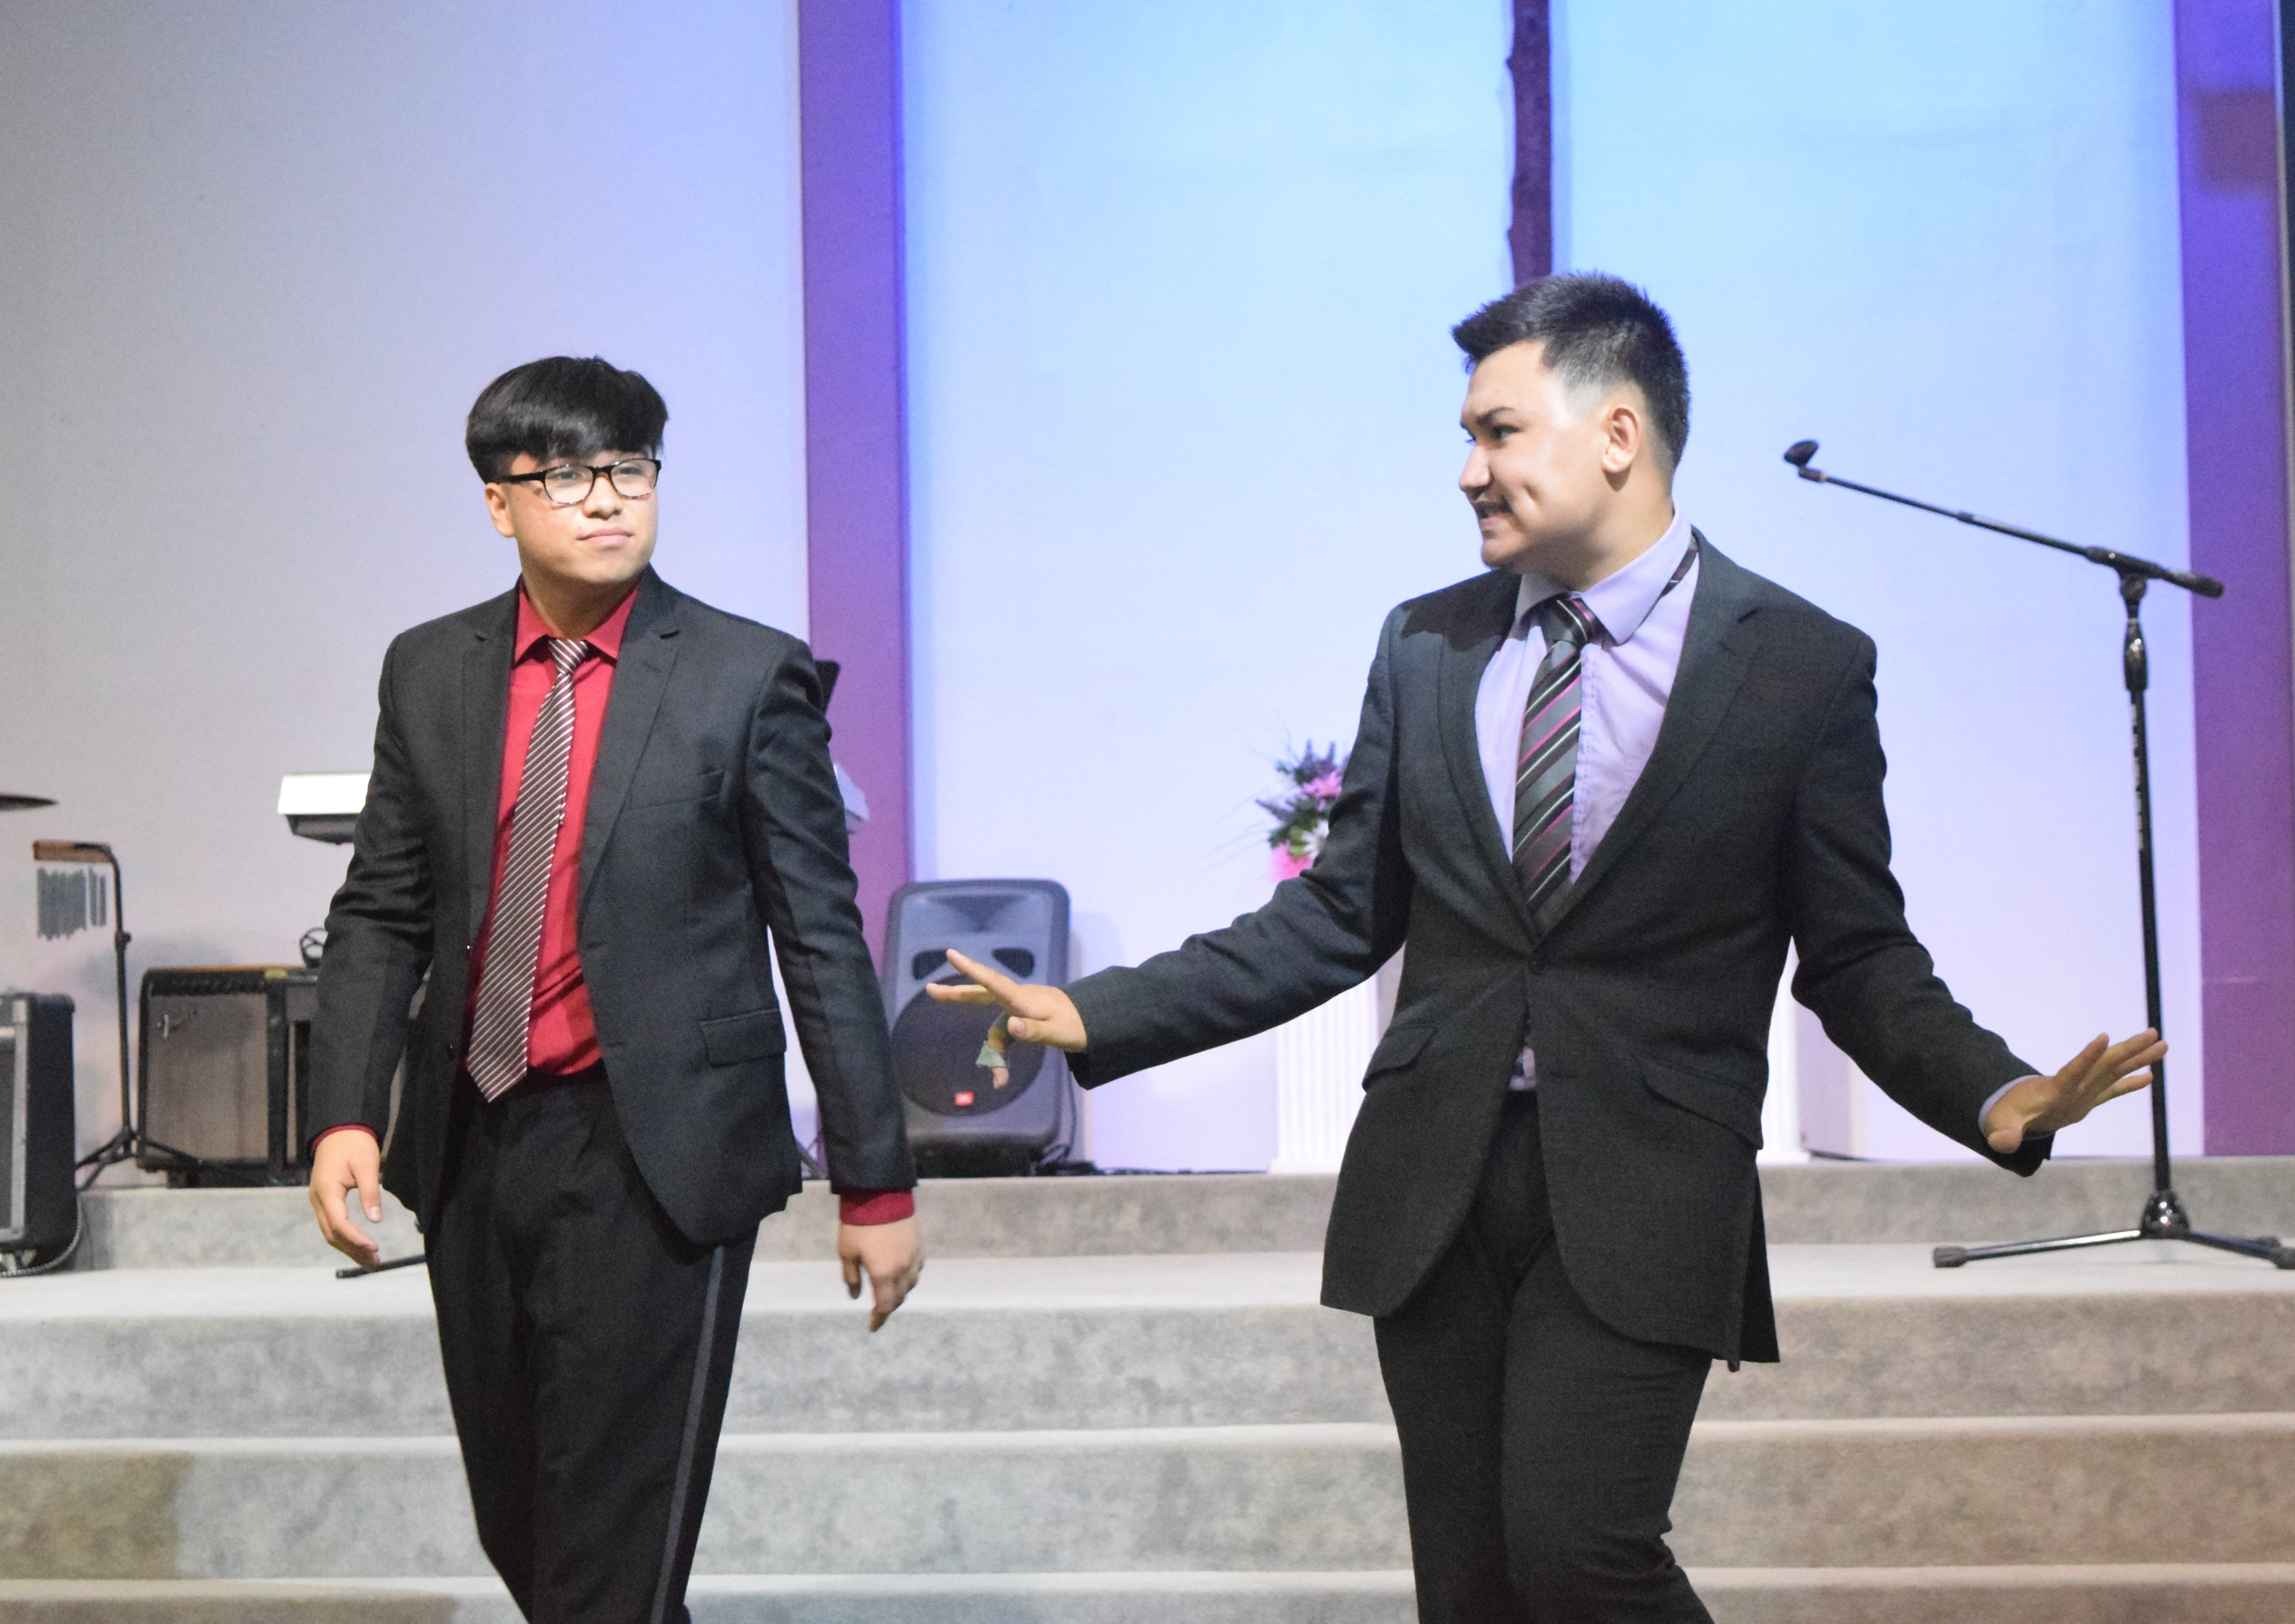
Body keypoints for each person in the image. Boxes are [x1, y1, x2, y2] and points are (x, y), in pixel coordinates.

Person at [933, 274, 2160, 1623]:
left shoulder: (1800, 665)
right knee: (1469, 1590)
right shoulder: (1426, 645)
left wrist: (1996, 1092)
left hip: (1643, 1191)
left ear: (1617, 434)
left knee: (1580, 1556)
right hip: (1437, 1185)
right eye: (1468, 438)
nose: (1468, 471)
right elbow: (1340, 911)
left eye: (1498, 431)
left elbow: (1859, 956)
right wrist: (1095, 1013)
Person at [304, 356, 923, 1624]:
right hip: (474, 1137)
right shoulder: (430, 671)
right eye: (567, 475)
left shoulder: (747, 676)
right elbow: (381, 906)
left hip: (659, 1152)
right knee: (527, 1523)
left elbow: (820, 936)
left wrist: (876, 1176)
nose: (605, 501)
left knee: (610, 1553)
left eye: (630, 469)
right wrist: (345, 1109)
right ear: (499, 503)